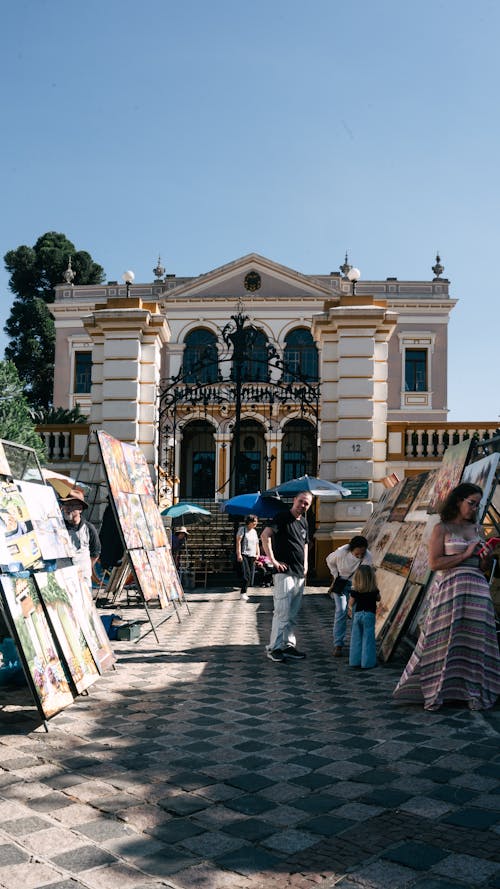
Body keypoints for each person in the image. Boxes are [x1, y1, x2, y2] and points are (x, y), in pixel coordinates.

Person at [393, 482, 500, 711]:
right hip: (450, 589)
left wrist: (486, 557)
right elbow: (434, 563)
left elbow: (483, 567)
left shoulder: (478, 529)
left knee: (474, 643)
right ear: (458, 501)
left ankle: (472, 692)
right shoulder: (441, 529)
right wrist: (465, 554)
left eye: (477, 505)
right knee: (444, 640)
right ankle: (439, 689)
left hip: (477, 588)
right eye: (471, 503)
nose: (474, 509)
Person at [261, 491, 313, 663]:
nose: (302, 505)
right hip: (284, 572)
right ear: (294, 500)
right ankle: (274, 648)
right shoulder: (281, 517)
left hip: (299, 572)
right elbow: (265, 535)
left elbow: (305, 544)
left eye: (306, 503)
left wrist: (305, 564)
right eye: (300, 501)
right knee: (282, 611)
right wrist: (273, 560)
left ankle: (287, 645)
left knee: (292, 613)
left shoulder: (304, 522)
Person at [326, 536, 372, 657]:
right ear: (352, 550)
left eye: (362, 553)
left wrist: (356, 594)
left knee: (356, 614)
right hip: (340, 584)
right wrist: (335, 575)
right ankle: (338, 645)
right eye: (357, 553)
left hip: (357, 586)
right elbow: (329, 560)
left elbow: (365, 575)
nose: (360, 556)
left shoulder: (368, 556)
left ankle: (356, 644)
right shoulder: (341, 553)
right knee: (341, 612)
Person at [60, 488, 101, 596]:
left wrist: (86, 567)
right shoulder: (57, 527)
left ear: (80, 509)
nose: (67, 508)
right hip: (63, 578)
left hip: (83, 578)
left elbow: (95, 552)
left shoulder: (89, 528)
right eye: (65, 505)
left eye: (71, 505)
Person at [347, 565, 380, 669]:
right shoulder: (374, 590)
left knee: (356, 639)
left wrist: (350, 610)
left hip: (358, 615)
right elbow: (378, 599)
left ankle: (354, 661)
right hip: (369, 615)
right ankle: (367, 663)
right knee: (368, 639)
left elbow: (351, 603)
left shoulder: (355, 591)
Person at [235, 515, 259, 601]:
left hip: (252, 555)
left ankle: (244, 592)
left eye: (256, 521)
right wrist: (239, 554)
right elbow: (238, 542)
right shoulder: (242, 529)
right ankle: (243, 592)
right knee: (246, 575)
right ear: (249, 522)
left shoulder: (254, 532)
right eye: (254, 521)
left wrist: (258, 553)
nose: (256, 523)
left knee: (250, 576)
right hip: (244, 554)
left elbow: (256, 543)